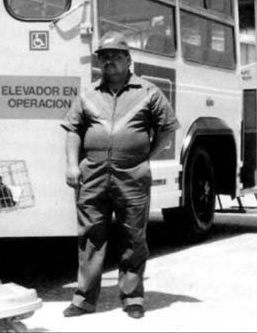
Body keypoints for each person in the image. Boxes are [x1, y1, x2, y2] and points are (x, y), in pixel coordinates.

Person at [60, 31, 180, 319]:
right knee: (90, 236)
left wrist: (146, 157)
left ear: (128, 60)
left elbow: (167, 128)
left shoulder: (149, 92)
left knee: (133, 236)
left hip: (132, 176)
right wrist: (72, 166)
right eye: (104, 57)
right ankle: (84, 299)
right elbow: (73, 130)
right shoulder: (88, 93)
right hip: (93, 175)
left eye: (115, 56)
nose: (109, 62)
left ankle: (132, 298)